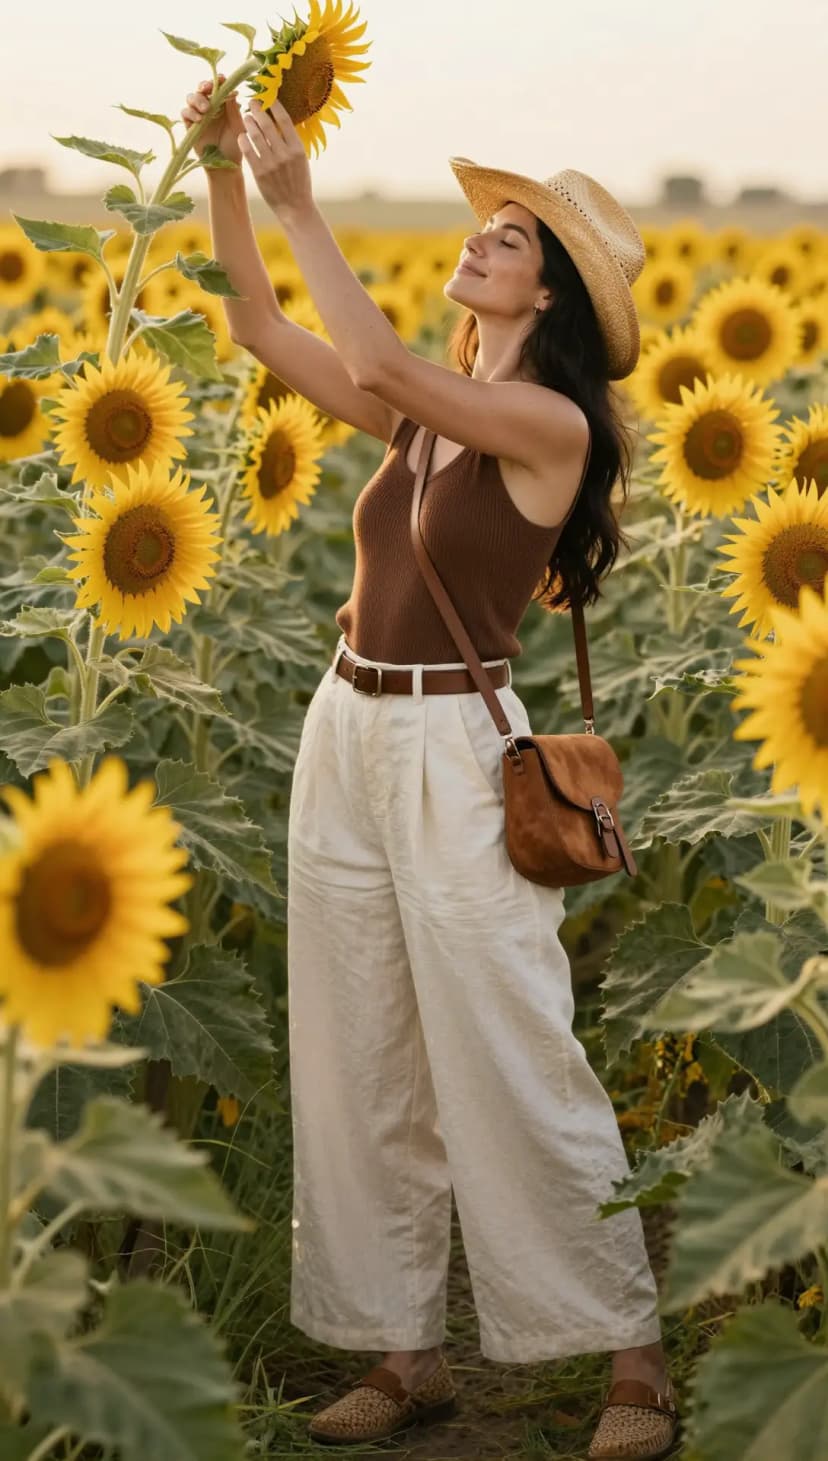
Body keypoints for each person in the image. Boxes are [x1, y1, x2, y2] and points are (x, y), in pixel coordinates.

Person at [181, 75, 679, 1461]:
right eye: (492, 228)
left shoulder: (552, 432)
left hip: (457, 747)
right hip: (344, 731)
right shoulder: (427, 422)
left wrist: (301, 200)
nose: (483, 242)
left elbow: (391, 364)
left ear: (552, 300)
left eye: (513, 238)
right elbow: (259, 324)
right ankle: (410, 1352)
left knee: (513, 1042)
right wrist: (225, 168)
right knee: (360, 1044)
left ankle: (630, 1350)